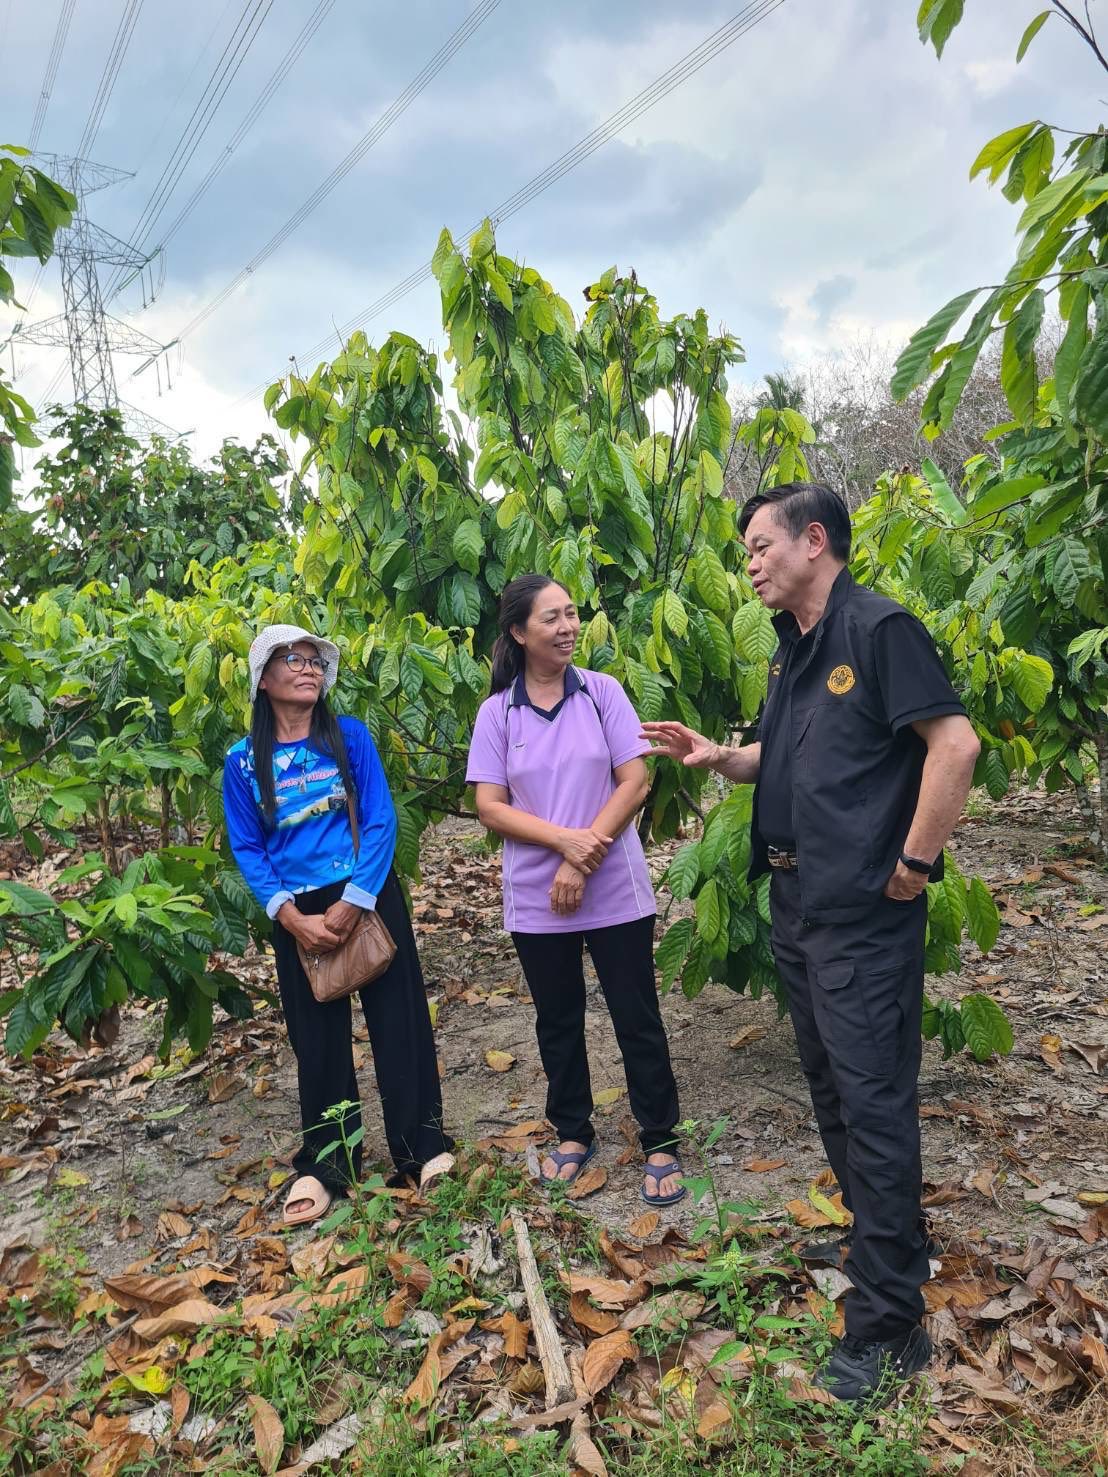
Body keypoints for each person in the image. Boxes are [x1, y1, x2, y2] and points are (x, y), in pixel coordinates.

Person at [643, 482, 980, 1404]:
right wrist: (723, 757)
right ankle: (884, 1242)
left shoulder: (879, 629)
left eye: (760, 546)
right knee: (833, 1089)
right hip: (797, 902)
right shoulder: (792, 646)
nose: (750, 564)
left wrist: (914, 862)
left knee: (872, 1100)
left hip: (864, 910)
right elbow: (786, 755)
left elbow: (954, 745)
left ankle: (890, 1324)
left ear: (814, 540)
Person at [222, 623, 452, 1223]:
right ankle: (328, 1165)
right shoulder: (242, 762)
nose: (308, 669)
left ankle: (423, 1148)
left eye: (314, 661)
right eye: (293, 660)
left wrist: (356, 899)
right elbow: (247, 846)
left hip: (366, 894)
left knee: (400, 1024)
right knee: (318, 1041)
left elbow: (379, 819)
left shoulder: (348, 737)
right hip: (297, 911)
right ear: (263, 679)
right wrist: (289, 916)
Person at [466, 575, 684, 1206]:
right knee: (557, 1018)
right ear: (518, 632)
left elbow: (634, 781)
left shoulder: (602, 692)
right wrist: (567, 844)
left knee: (635, 1013)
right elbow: (490, 806)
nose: (567, 628)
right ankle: (571, 1130)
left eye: (571, 614)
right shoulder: (497, 713)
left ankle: (660, 1137)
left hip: (613, 883)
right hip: (538, 894)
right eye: (551, 618)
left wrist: (584, 857)